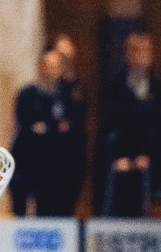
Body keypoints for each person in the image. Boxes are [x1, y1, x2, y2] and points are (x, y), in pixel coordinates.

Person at [10, 49, 84, 217]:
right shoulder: (27, 94)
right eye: (48, 66)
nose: (52, 70)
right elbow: (27, 124)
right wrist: (50, 127)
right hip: (29, 159)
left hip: (57, 162)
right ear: (40, 67)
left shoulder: (68, 95)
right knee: (22, 205)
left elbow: (69, 125)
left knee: (53, 206)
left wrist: (48, 127)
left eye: (56, 66)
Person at [99, 31, 158, 217]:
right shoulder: (114, 84)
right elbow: (110, 122)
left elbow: (155, 124)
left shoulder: (156, 86)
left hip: (147, 155)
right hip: (119, 153)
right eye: (137, 53)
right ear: (128, 56)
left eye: (145, 54)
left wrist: (147, 154)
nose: (141, 59)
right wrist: (118, 155)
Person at [46, 31, 90, 213]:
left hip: (74, 152)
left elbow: (81, 114)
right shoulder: (47, 88)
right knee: (50, 203)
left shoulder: (78, 85)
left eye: (68, 54)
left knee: (69, 201)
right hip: (51, 153)